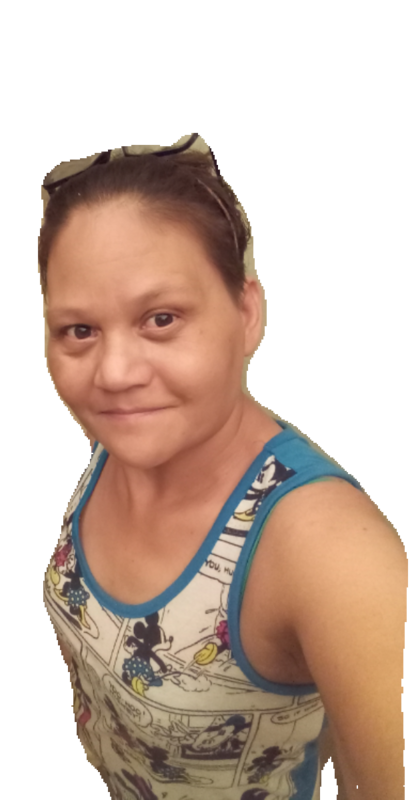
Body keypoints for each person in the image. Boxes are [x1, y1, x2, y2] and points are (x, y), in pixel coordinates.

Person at [40, 135, 406, 800]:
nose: (113, 374)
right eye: (79, 331)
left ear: (247, 311)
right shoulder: (119, 438)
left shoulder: (329, 552)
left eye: (161, 318)